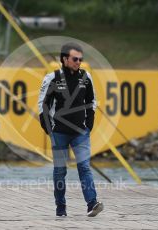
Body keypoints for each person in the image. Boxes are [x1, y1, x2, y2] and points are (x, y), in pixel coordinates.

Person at [38, 42, 104, 217]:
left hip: (80, 132)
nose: (78, 62)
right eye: (75, 59)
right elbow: (42, 105)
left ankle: (92, 204)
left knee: (84, 167)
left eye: (81, 59)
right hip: (58, 132)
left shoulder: (86, 77)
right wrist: (48, 129)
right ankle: (61, 207)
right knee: (60, 171)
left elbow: (92, 101)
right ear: (65, 59)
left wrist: (88, 125)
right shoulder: (52, 78)